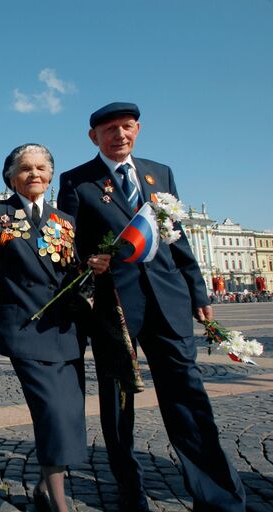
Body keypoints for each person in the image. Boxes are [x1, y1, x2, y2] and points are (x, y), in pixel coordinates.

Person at [58, 102, 245, 511]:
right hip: (114, 308)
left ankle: (217, 495)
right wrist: (87, 259)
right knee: (119, 403)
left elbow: (176, 237)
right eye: (109, 129)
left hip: (168, 300)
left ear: (137, 129)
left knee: (188, 396)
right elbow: (67, 244)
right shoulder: (76, 181)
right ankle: (130, 490)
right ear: (94, 137)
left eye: (126, 127)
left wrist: (198, 292)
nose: (119, 135)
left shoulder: (160, 173)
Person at [0, 143, 109, 512]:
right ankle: (60, 505)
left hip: (65, 330)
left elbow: (72, 273)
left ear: (50, 175)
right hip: (24, 329)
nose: (34, 174)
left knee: (71, 412)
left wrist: (91, 267)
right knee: (52, 412)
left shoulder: (65, 221)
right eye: (26, 168)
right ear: (12, 175)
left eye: (41, 168)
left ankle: (46, 488)